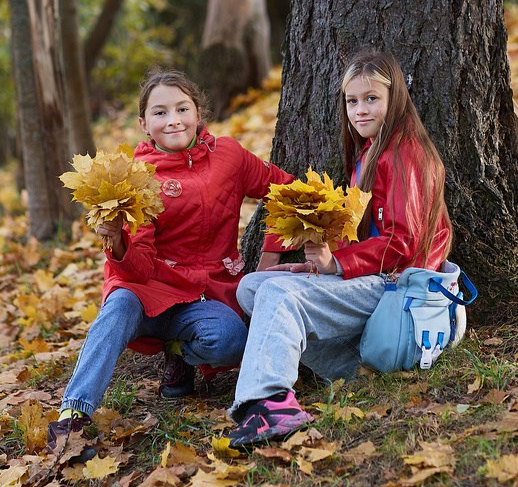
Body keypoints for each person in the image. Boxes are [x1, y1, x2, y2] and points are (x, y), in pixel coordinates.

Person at [231, 49, 456, 445]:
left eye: (372, 99)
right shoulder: (370, 153)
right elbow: (367, 233)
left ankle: (270, 402)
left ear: (395, 100)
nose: (360, 110)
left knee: (280, 296)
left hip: (400, 287)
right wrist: (314, 266)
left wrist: (336, 264)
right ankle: (352, 367)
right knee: (253, 285)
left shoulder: (406, 154)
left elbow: (403, 244)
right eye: (352, 101)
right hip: (372, 279)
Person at [51, 70, 291, 439]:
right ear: (144, 123)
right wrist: (117, 241)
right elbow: (139, 267)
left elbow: (286, 192)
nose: (173, 120)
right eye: (160, 113)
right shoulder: (135, 176)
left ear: (198, 112)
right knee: (117, 306)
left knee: (230, 342)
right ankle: (73, 415)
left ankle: (178, 352)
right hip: (148, 291)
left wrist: (269, 259)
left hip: (205, 295)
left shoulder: (230, 156)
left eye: (182, 108)